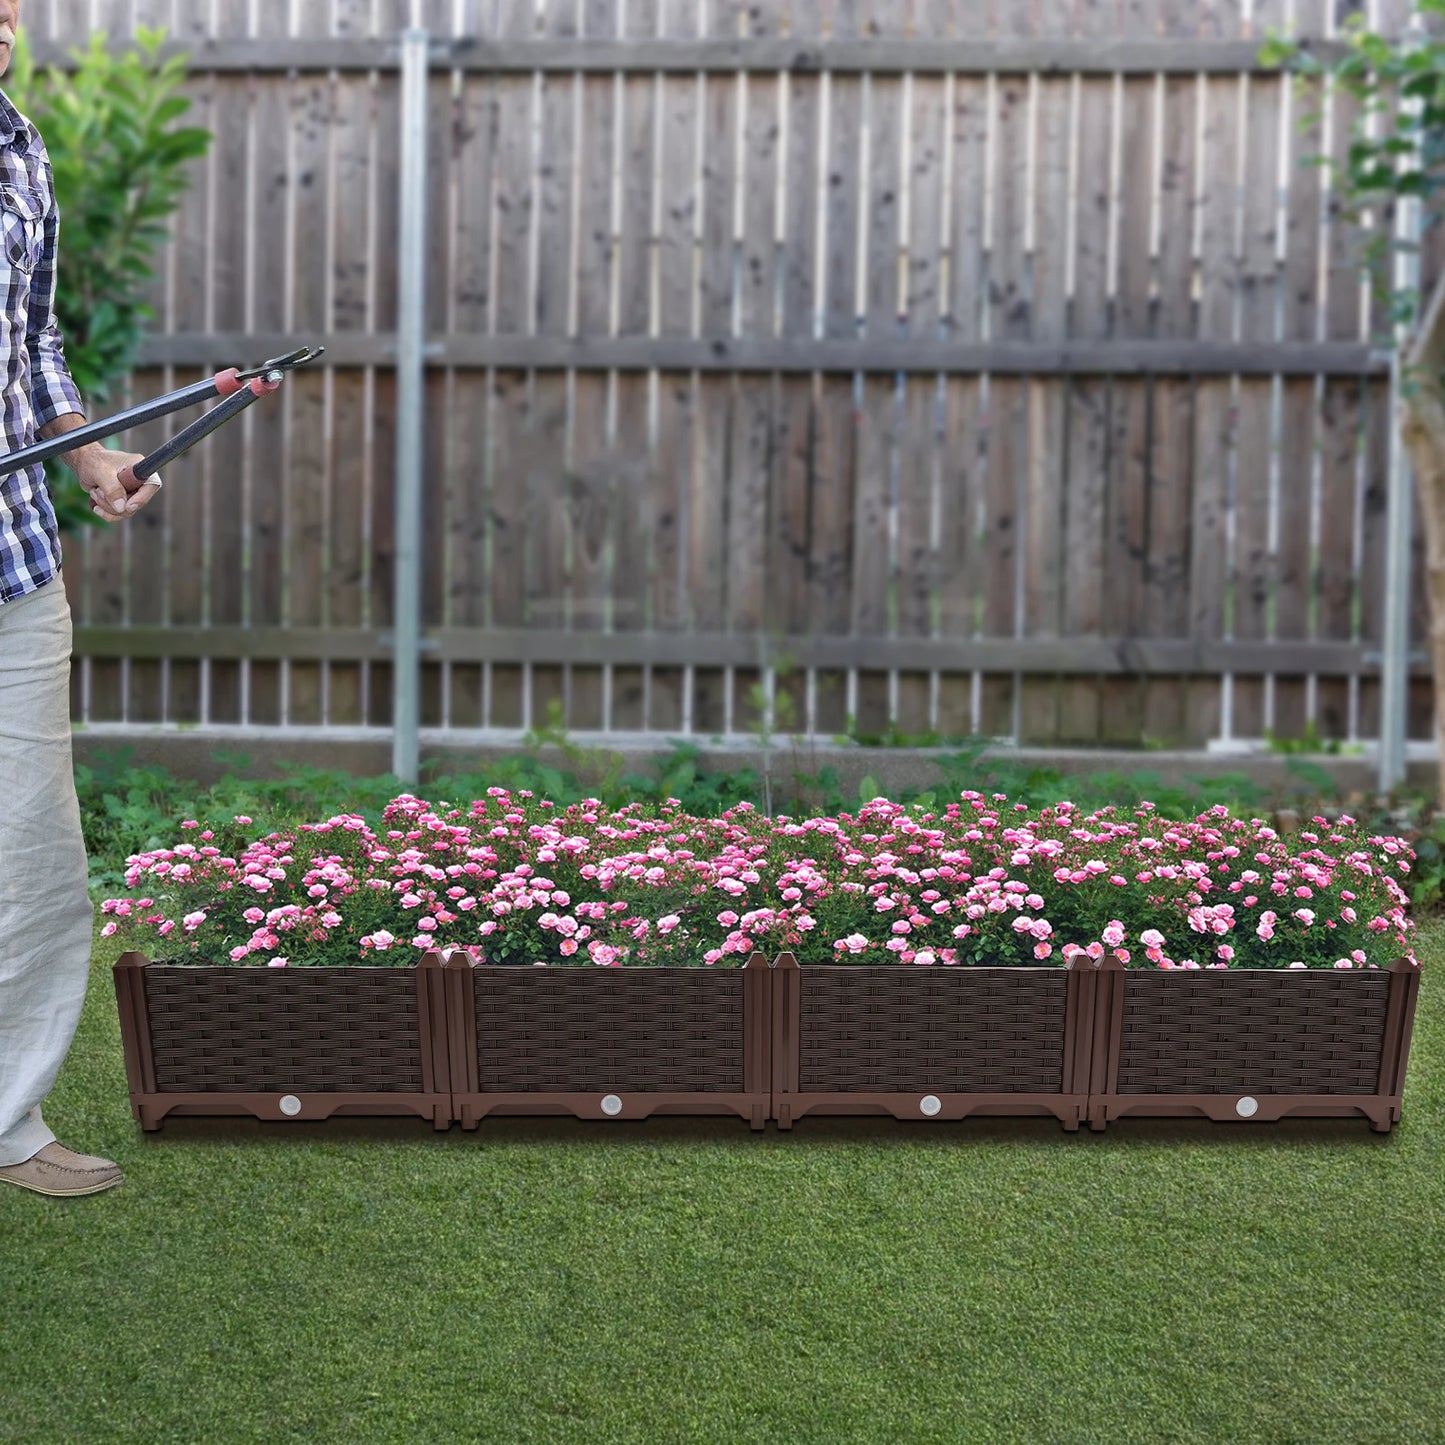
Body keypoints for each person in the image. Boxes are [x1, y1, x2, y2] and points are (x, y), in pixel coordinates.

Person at [0, 0, 161, 1197]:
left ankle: (10, 1120)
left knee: (34, 852)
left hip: (12, 564)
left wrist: (88, 453)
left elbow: (36, 342)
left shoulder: (22, 150)